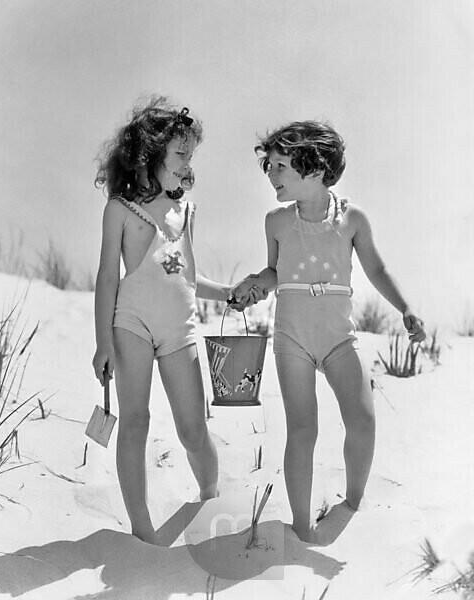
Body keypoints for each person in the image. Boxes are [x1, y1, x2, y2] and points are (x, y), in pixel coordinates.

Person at [231, 120, 426, 543]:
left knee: (363, 419)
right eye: (269, 165)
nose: (271, 175)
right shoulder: (276, 222)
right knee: (303, 429)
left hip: (339, 338)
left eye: (281, 165)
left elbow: (376, 268)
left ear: (315, 169)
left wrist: (405, 308)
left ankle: (353, 503)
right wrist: (255, 284)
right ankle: (301, 527)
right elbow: (274, 272)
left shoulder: (352, 218)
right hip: (292, 339)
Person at [92, 95, 261, 545]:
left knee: (192, 427)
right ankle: (142, 529)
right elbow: (108, 277)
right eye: (181, 154)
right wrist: (102, 343)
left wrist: (225, 293)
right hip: (130, 324)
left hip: (180, 328)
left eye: (191, 155)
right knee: (135, 421)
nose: (188, 164)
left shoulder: (186, 212)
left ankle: (209, 495)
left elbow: (187, 275)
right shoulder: (120, 210)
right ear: (150, 157)